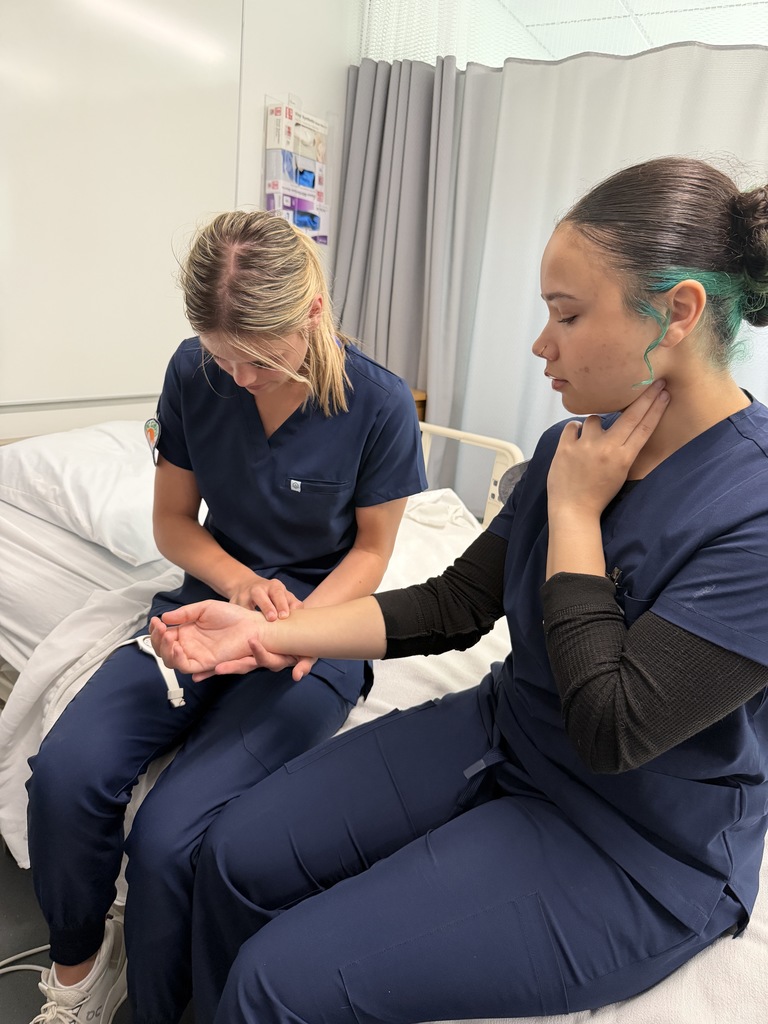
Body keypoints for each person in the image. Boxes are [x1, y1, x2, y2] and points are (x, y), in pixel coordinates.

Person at [150, 156, 768, 1024]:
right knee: (232, 853)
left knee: (276, 983)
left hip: (635, 843)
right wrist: (267, 637)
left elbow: (613, 727)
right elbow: (452, 606)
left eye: (567, 314)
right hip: (505, 730)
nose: (540, 344)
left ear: (678, 314)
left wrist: (581, 518)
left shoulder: (751, 508)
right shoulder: (568, 447)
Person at [27, 211, 427, 1024]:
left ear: (311, 313)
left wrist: (287, 629)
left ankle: (160, 1010)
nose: (238, 375)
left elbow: (373, 556)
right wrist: (241, 589)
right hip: (205, 609)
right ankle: (80, 975)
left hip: (315, 632)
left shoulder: (379, 403)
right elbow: (175, 523)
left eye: (259, 355)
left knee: (173, 836)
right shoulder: (193, 372)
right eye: (221, 353)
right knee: (67, 771)